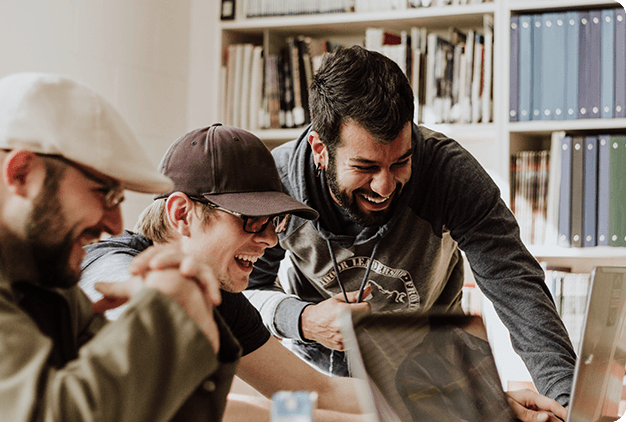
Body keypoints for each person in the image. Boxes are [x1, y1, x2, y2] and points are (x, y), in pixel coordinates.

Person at [0, 73, 240, 422]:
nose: (116, 223)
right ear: (21, 172)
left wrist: (193, 315)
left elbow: (143, 409)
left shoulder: (34, 266)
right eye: (106, 193)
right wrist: (169, 312)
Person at [244, 45, 574, 420]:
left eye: (400, 162)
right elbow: (244, 291)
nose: (384, 186)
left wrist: (568, 400)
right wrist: (302, 320)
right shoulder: (278, 181)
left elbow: (515, 283)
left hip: (433, 377)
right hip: (317, 381)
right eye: (365, 167)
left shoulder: (449, 173)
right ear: (320, 148)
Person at [80, 124, 370, 422]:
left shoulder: (218, 293)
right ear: (181, 214)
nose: (271, 240)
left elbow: (318, 390)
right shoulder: (111, 268)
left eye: (275, 221)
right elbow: (182, 410)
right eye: (252, 219)